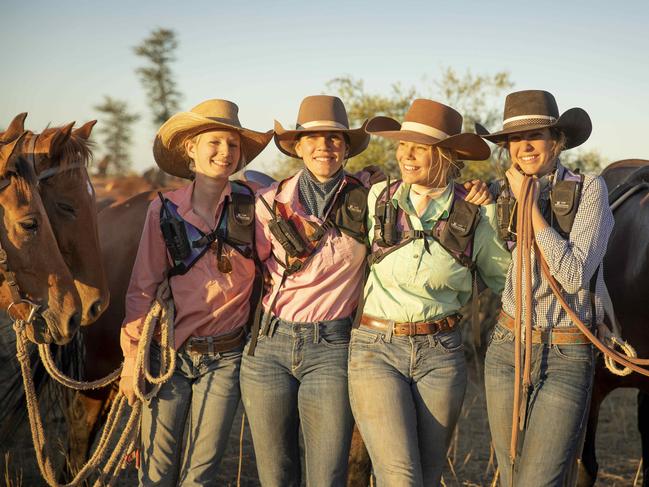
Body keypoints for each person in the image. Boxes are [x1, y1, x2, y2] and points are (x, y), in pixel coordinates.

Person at [347, 98, 511, 486]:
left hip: (442, 354)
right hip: (376, 348)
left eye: (419, 147)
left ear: (447, 156)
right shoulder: (379, 199)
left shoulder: (475, 213)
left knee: (427, 473)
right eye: (403, 146)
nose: (406, 155)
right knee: (401, 476)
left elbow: (505, 279)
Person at [118, 99, 272, 486]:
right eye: (214, 143)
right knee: (156, 468)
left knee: (201, 472)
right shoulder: (163, 209)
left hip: (226, 357)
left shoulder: (253, 203)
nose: (224, 153)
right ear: (191, 149)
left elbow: (297, 198)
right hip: (168, 355)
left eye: (233, 146)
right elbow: (142, 287)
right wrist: (133, 355)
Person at [477, 90, 614, 486]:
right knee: (513, 474)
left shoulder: (590, 190)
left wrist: (531, 209)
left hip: (567, 351)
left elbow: (572, 275)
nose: (524, 147)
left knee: (539, 480)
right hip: (508, 344)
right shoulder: (500, 192)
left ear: (557, 141)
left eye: (535, 136)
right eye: (514, 140)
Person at [238, 95, 372, 487]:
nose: (324, 147)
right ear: (297, 146)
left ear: (346, 147)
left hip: (331, 347)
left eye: (334, 139)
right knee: (275, 473)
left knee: (327, 473)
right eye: (313, 138)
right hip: (268, 347)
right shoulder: (266, 204)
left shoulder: (370, 201)